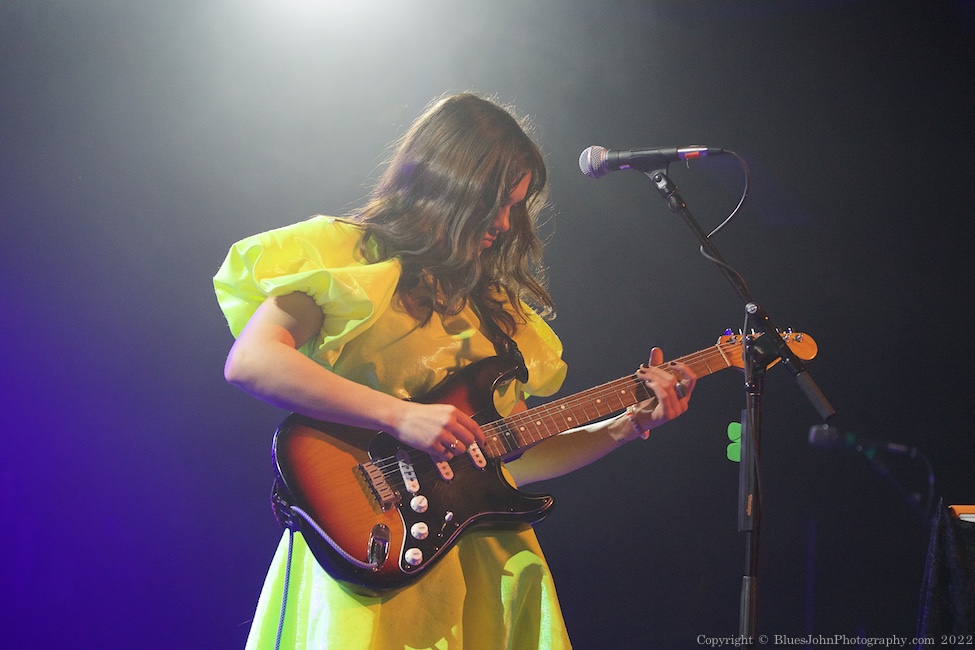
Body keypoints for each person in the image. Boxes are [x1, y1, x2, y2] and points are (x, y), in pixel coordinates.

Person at [214, 92, 696, 650]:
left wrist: (626, 425)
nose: (504, 222)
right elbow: (251, 361)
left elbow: (513, 460)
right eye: (496, 202)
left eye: (514, 206)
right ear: (448, 183)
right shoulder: (344, 255)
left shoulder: (498, 313)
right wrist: (402, 417)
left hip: (479, 562)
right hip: (368, 549)